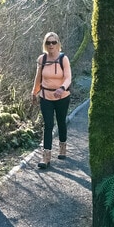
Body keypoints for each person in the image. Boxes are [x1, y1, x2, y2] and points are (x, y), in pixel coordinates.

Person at [31, 32, 72, 169]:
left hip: (62, 97)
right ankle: (46, 157)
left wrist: (62, 88)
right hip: (46, 96)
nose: (51, 45)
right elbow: (38, 78)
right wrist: (34, 92)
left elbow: (68, 78)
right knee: (48, 124)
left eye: (54, 42)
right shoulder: (42, 59)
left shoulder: (63, 59)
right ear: (45, 44)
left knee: (61, 122)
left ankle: (62, 147)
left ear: (58, 44)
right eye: (48, 42)